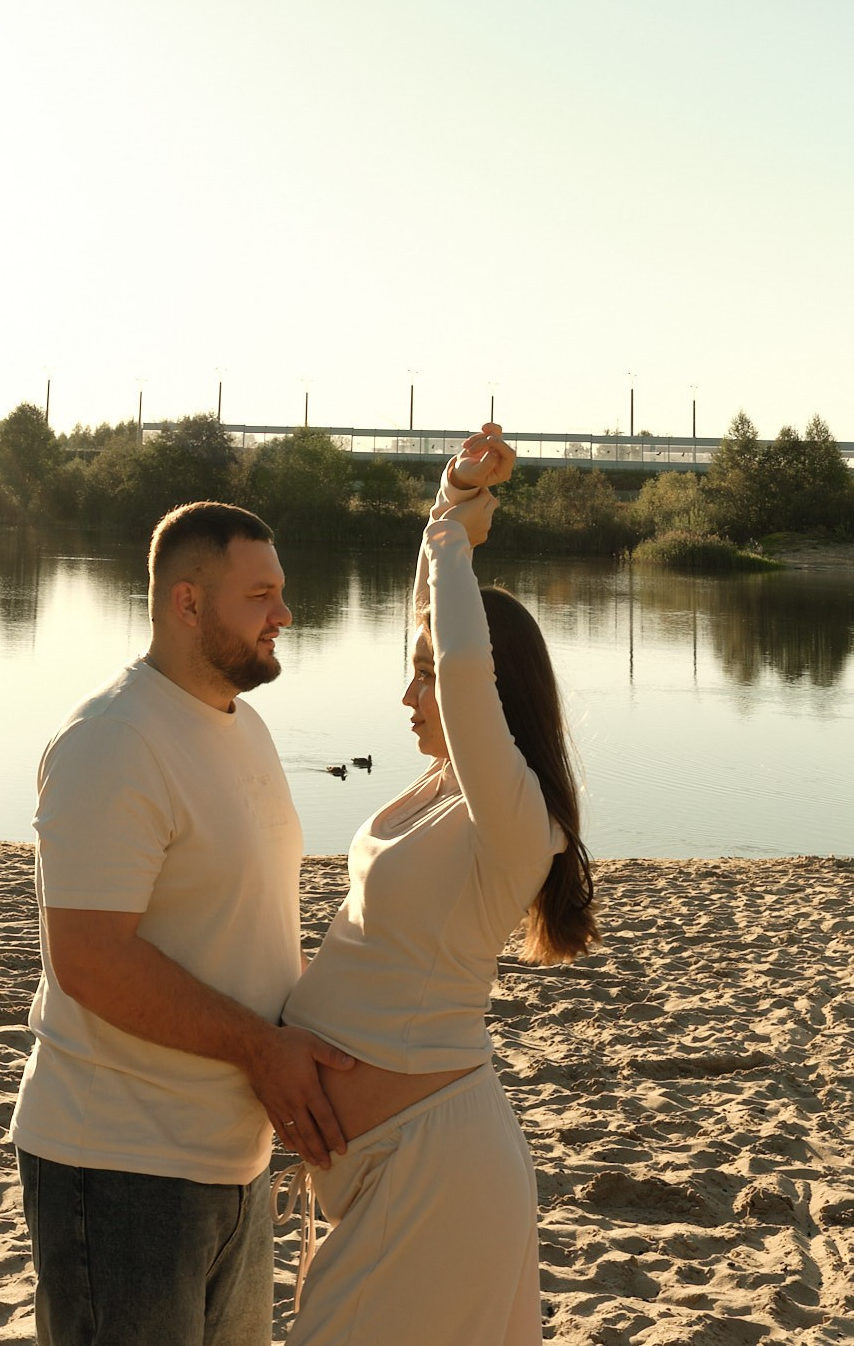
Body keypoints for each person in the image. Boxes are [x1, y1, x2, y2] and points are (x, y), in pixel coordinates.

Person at [276, 424, 599, 1345]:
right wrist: (447, 501)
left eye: (425, 681)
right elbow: (439, 635)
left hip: (434, 1170)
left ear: (490, 698)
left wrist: (457, 531)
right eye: (408, 675)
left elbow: (458, 663)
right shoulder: (439, 790)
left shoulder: (512, 815)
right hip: (378, 1172)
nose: (409, 698)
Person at [9, 500, 354, 1346]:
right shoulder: (114, 739)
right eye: (260, 594)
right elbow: (90, 959)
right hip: (119, 1166)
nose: (284, 614)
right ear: (187, 602)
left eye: (282, 593)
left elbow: (243, 928)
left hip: (230, 1165)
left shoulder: (246, 729)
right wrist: (261, 1050)